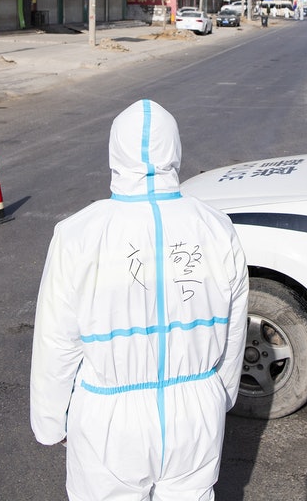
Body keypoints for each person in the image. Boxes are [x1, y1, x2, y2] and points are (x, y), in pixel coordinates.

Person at [30, 99, 249, 501]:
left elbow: (57, 342)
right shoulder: (217, 228)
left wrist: (51, 423)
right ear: (175, 151)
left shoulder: (78, 234)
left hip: (110, 423)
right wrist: (219, 396)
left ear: (115, 153)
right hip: (196, 414)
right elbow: (235, 334)